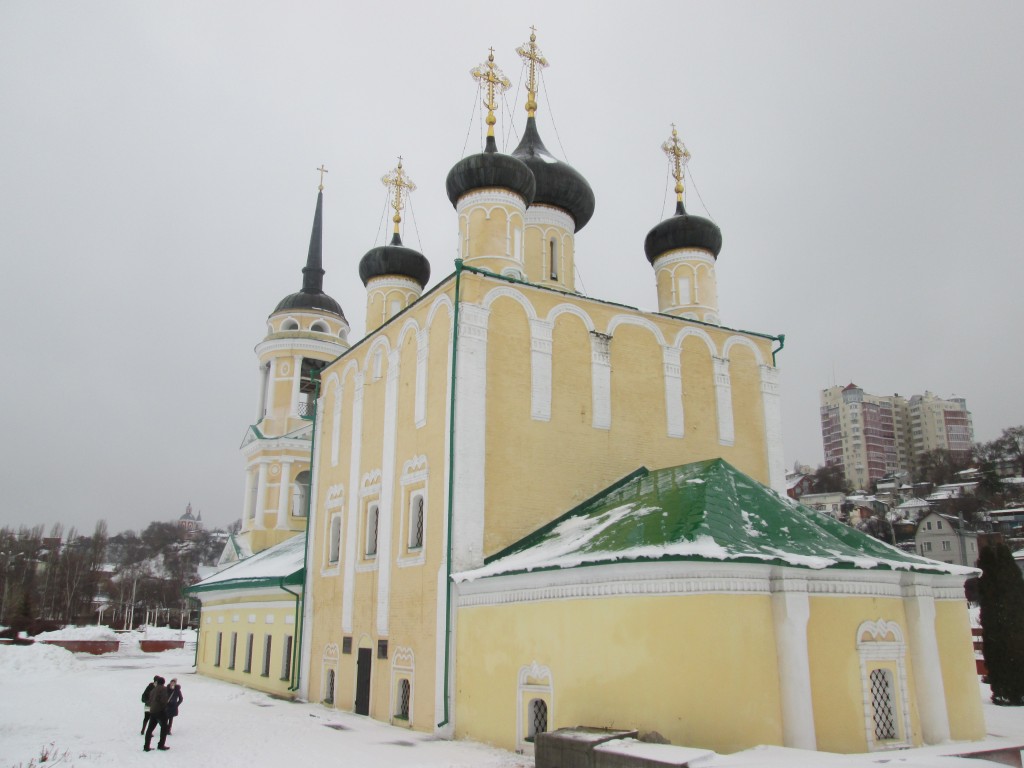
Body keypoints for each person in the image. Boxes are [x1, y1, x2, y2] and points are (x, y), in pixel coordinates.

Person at [143, 676, 171, 751]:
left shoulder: (153, 689)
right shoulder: (164, 689)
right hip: (160, 711)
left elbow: (150, 700)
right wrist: (165, 706)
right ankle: (161, 745)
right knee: (164, 728)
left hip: (152, 711)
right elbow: (164, 700)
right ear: (164, 682)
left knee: (149, 729)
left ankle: (146, 746)